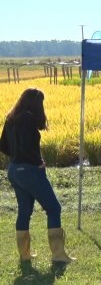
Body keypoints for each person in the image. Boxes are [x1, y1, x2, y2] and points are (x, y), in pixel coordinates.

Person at [0, 88, 74, 263]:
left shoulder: (11, 118)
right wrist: (37, 161)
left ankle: (24, 254)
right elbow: (27, 146)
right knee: (54, 208)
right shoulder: (28, 119)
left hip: (13, 170)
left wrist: (17, 158)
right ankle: (58, 254)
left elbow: (2, 146)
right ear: (35, 103)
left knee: (24, 210)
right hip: (30, 171)